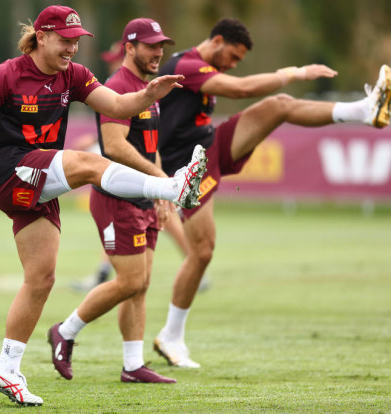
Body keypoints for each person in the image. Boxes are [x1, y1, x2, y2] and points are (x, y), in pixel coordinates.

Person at [0, 5, 207, 407]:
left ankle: (6, 367)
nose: (73, 48)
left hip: (38, 181)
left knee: (41, 278)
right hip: (9, 171)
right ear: (41, 36)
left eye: (77, 41)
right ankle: (173, 189)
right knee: (90, 164)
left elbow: (117, 107)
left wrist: (147, 94)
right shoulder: (4, 75)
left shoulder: (74, 75)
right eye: (66, 40)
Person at [152, 17, 391, 369]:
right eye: (233, 56)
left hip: (210, 145)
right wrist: (294, 72)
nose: (234, 64)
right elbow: (243, 89)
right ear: (216, 41)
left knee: (279, 105)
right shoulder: (186, 65)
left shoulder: (202, 64)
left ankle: (364, 109)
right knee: (202, 251)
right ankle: (170, 336)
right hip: (186, 166)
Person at [48, 17, 191, 384]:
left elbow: (150, 146)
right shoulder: (118, 86)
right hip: (117, 197)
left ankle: (133, 365)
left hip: (145, 198)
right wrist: (161, 181)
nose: (159, 52)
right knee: (130, 281)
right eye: (151, 46)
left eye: (162, 45)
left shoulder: (148, 87)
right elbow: (113, 146)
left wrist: (161, 194)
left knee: (140, 284)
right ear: (129, 48)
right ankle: (65, 331)